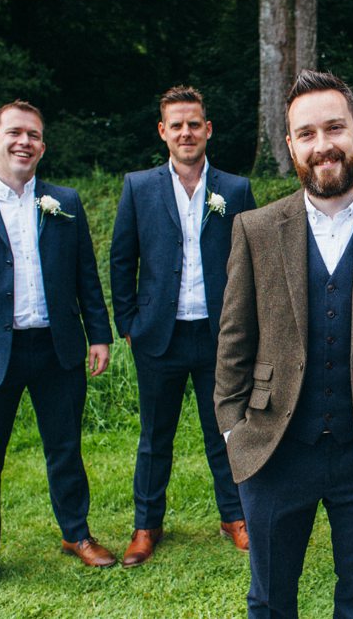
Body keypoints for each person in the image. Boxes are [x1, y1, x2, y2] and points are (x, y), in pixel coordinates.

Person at [214, 69, 353, 617]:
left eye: (334, 128)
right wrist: (233, 428)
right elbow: (234, 338)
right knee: (270, 598)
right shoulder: (255, 229)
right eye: (306, 134)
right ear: (291, 146)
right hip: (273, 448)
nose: (323, 145)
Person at [0, 101, 115, 610]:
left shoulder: (64, 201)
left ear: (42, 146)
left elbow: (85, 275)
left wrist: (99, 334)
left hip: (56, 347)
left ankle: (76, 534)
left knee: (65, 449)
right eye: (14, 133)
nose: (23, 142)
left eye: (33, 135)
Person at [109, 85, 256, 565]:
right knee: (156, 438)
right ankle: (146, 525)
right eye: (177, 125)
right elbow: (122, 258)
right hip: (159, 335)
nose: (186, 132)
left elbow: (252, 261)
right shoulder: (139, 187)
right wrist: (128, 322)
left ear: (208, 129)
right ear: (163, 131)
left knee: (226, 432)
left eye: (194, 124)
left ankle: (235, 517)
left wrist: (247, 325)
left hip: (219, 336)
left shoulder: (235, 190)